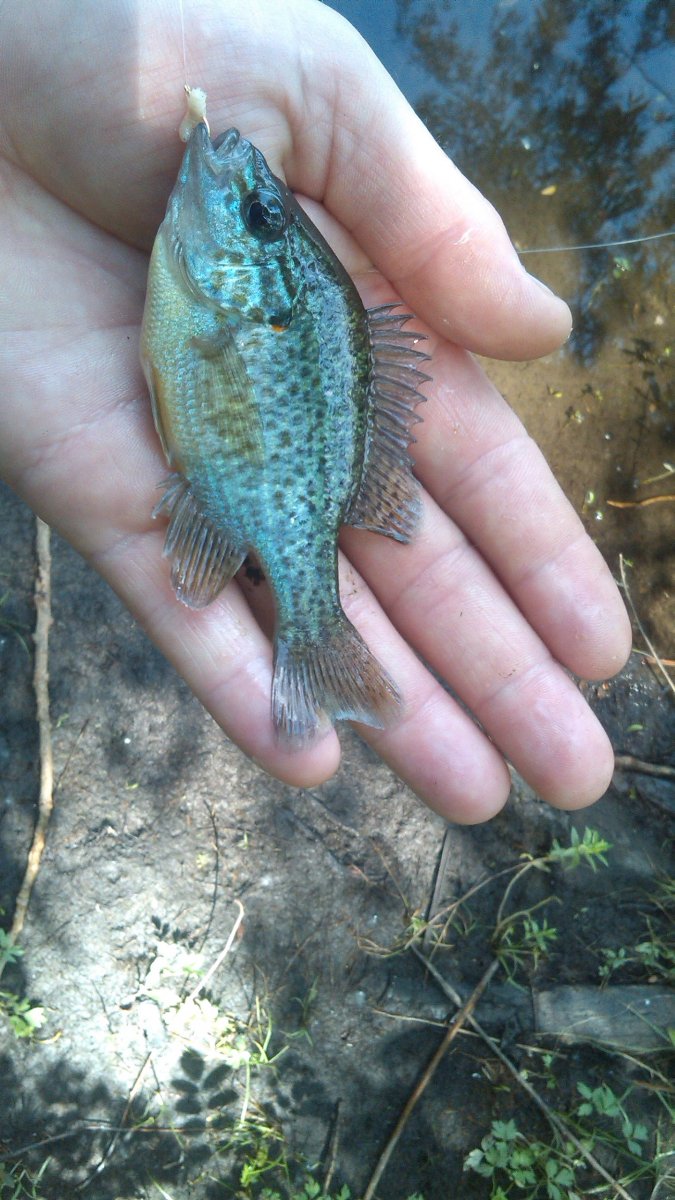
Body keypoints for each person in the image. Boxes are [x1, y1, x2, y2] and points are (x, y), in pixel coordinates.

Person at [0, 0, 631, 823]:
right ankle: (317, 657)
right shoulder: (225, 298)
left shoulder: (227, 304)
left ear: (263, 302)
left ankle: (314, 640)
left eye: (259, 216)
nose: (249, 187)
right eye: (267, 216)